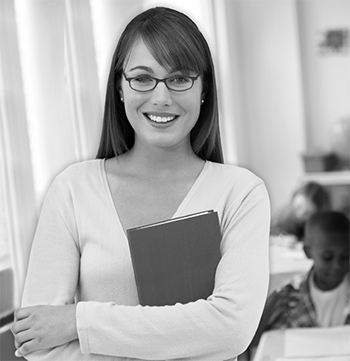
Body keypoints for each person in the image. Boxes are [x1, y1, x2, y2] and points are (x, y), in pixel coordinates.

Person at [11, 7, 270, 361]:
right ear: (119, 88)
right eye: (142, 78)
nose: (161, 97)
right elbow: (38, 340)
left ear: (204, 90)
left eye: (179, 78)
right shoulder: (73, 189)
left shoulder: (240, 193)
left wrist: (79, 321)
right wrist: (187, 337)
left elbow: (232, 328)